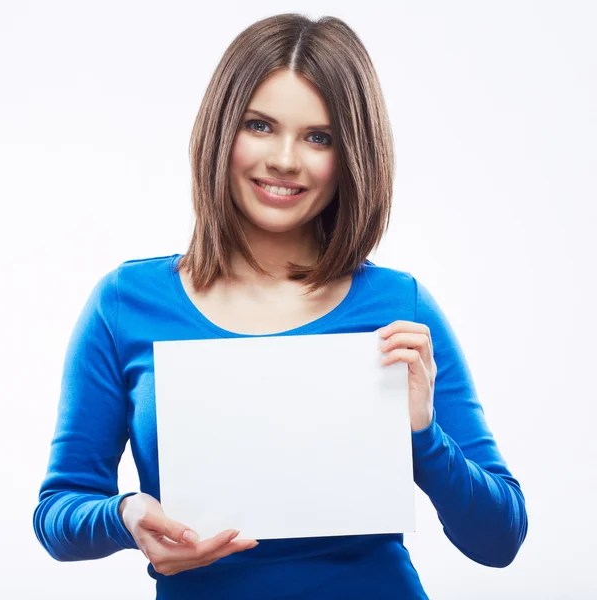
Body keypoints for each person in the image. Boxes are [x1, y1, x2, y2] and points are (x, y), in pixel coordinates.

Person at [33, 12, 528, 599]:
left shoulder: (400, 306)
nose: (285, 160)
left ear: (351, 156)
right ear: (221, 130)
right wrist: (125, 515)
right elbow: (57, 513)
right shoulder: (125, 304)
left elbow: (500, 539)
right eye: (260, 126)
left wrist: (422, 435)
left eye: (319, 137)